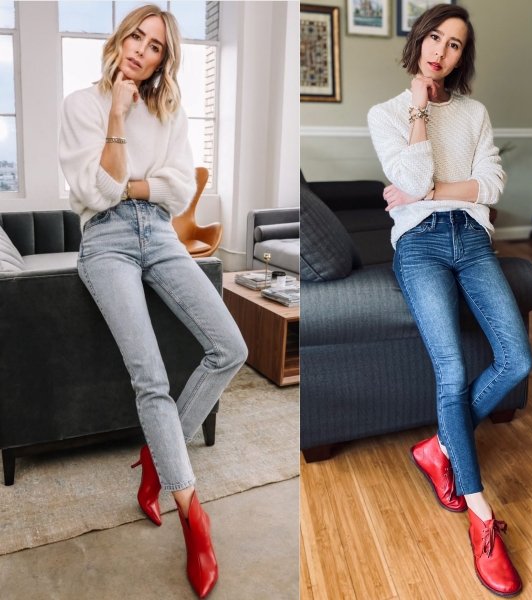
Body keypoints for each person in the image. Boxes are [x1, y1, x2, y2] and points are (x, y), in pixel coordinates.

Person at [58, 5, 248, 598]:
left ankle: (157, 455)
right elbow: (94, 190)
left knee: (230, 347)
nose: (142, 50)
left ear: (166, 58)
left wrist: (130, 182)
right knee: (152, 381)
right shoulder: (79, 106)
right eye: (135, 36)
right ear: (119, 40)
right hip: (106, 242)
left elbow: (179, 186)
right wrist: (116, 116)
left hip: (160, 235)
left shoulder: (169, 110)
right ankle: (194, 517)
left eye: (156, 46)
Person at [368, 4, 532, 597]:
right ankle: (483, 521)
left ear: (463, 56)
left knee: (517, 361)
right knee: (453, 371)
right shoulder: (386, 113)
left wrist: (432, 190)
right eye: (434, 37)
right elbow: (407, 173)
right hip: (419, 245)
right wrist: (418, 103)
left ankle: (439, 445)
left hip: (473, 239)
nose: (441, 50)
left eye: (455, 44)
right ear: (418, 42)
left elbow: (490, 185)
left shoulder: (474, 113)